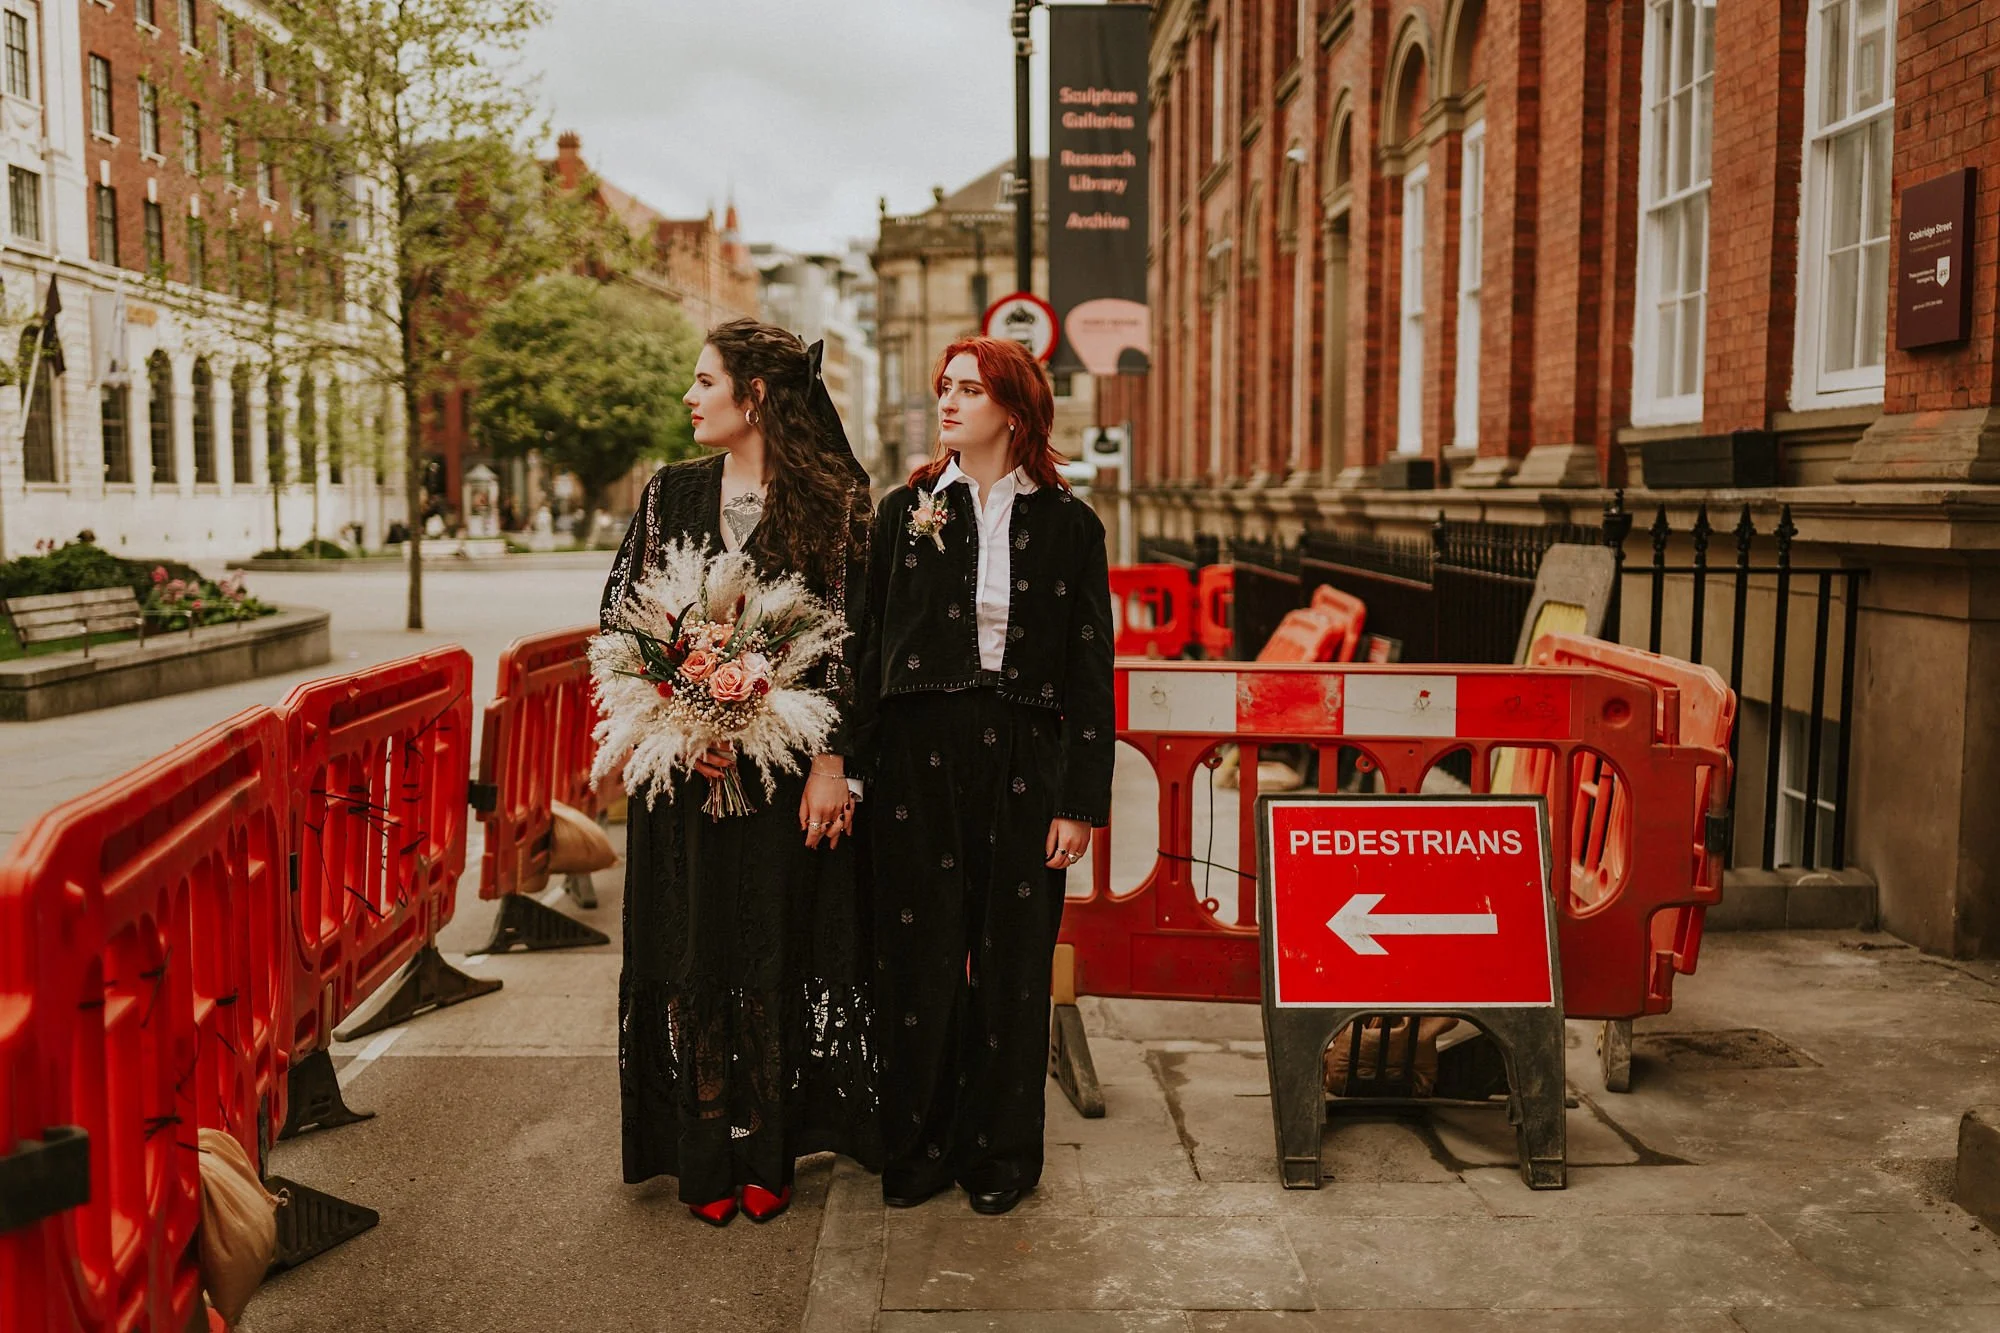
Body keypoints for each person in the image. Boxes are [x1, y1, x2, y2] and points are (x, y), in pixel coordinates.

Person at [600, 318, 879, 1227]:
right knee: (693, 949)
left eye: (704, 380)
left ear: (754, 395)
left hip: (787, 778)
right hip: (687, 776)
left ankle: (768, 1144)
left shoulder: (833, 501)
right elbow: (621, 622)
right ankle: (702, 1141)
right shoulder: (669, 493)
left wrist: (831, 760)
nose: (690, 396)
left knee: (772, 948)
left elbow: (851, 644)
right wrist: (680, 722)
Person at [859, 336, 1115, 1216]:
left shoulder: (1071, 524)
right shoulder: (905, 509)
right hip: (916, 758)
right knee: (919, 956)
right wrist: (848, 768)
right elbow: (865, 646)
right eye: (945, 387)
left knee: (1012, 964)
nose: (950, 401)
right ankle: (918, 1147)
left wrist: (1080, 802)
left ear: (1013, 408)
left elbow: (1089, 669)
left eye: (969, 388)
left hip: (1024, 760)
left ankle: (1000, 1154)